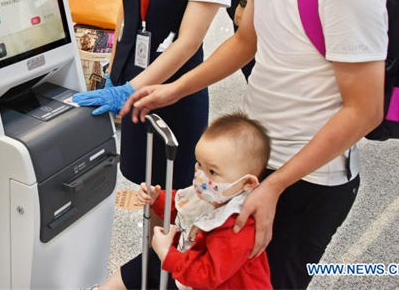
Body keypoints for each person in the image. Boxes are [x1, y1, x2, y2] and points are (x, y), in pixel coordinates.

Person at [121, 0, 386, 290]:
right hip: (257, 164)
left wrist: (276, 186)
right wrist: (170, 90)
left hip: (307, 182)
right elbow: (245, 41)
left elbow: (364, 109)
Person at [73, 0, 233, 288]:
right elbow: (127, 9)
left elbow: (186, 45)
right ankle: (150, 272)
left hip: (174, 98)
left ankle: (151, 276)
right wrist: (113, 70)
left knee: (173, 201)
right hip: (131, 79)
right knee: (145, 191)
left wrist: (130, 89)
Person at [101, 112, 273, 290]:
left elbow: (207, 275)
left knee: (158, 259)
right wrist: (157, 199)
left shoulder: (238, 227)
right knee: (145, 263)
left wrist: (167, 254)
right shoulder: (214, 194)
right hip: (185, 261)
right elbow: (184, 206)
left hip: (208, 279)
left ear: (247, 183)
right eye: (199, 164)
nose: (200, 176)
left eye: (212, 172)